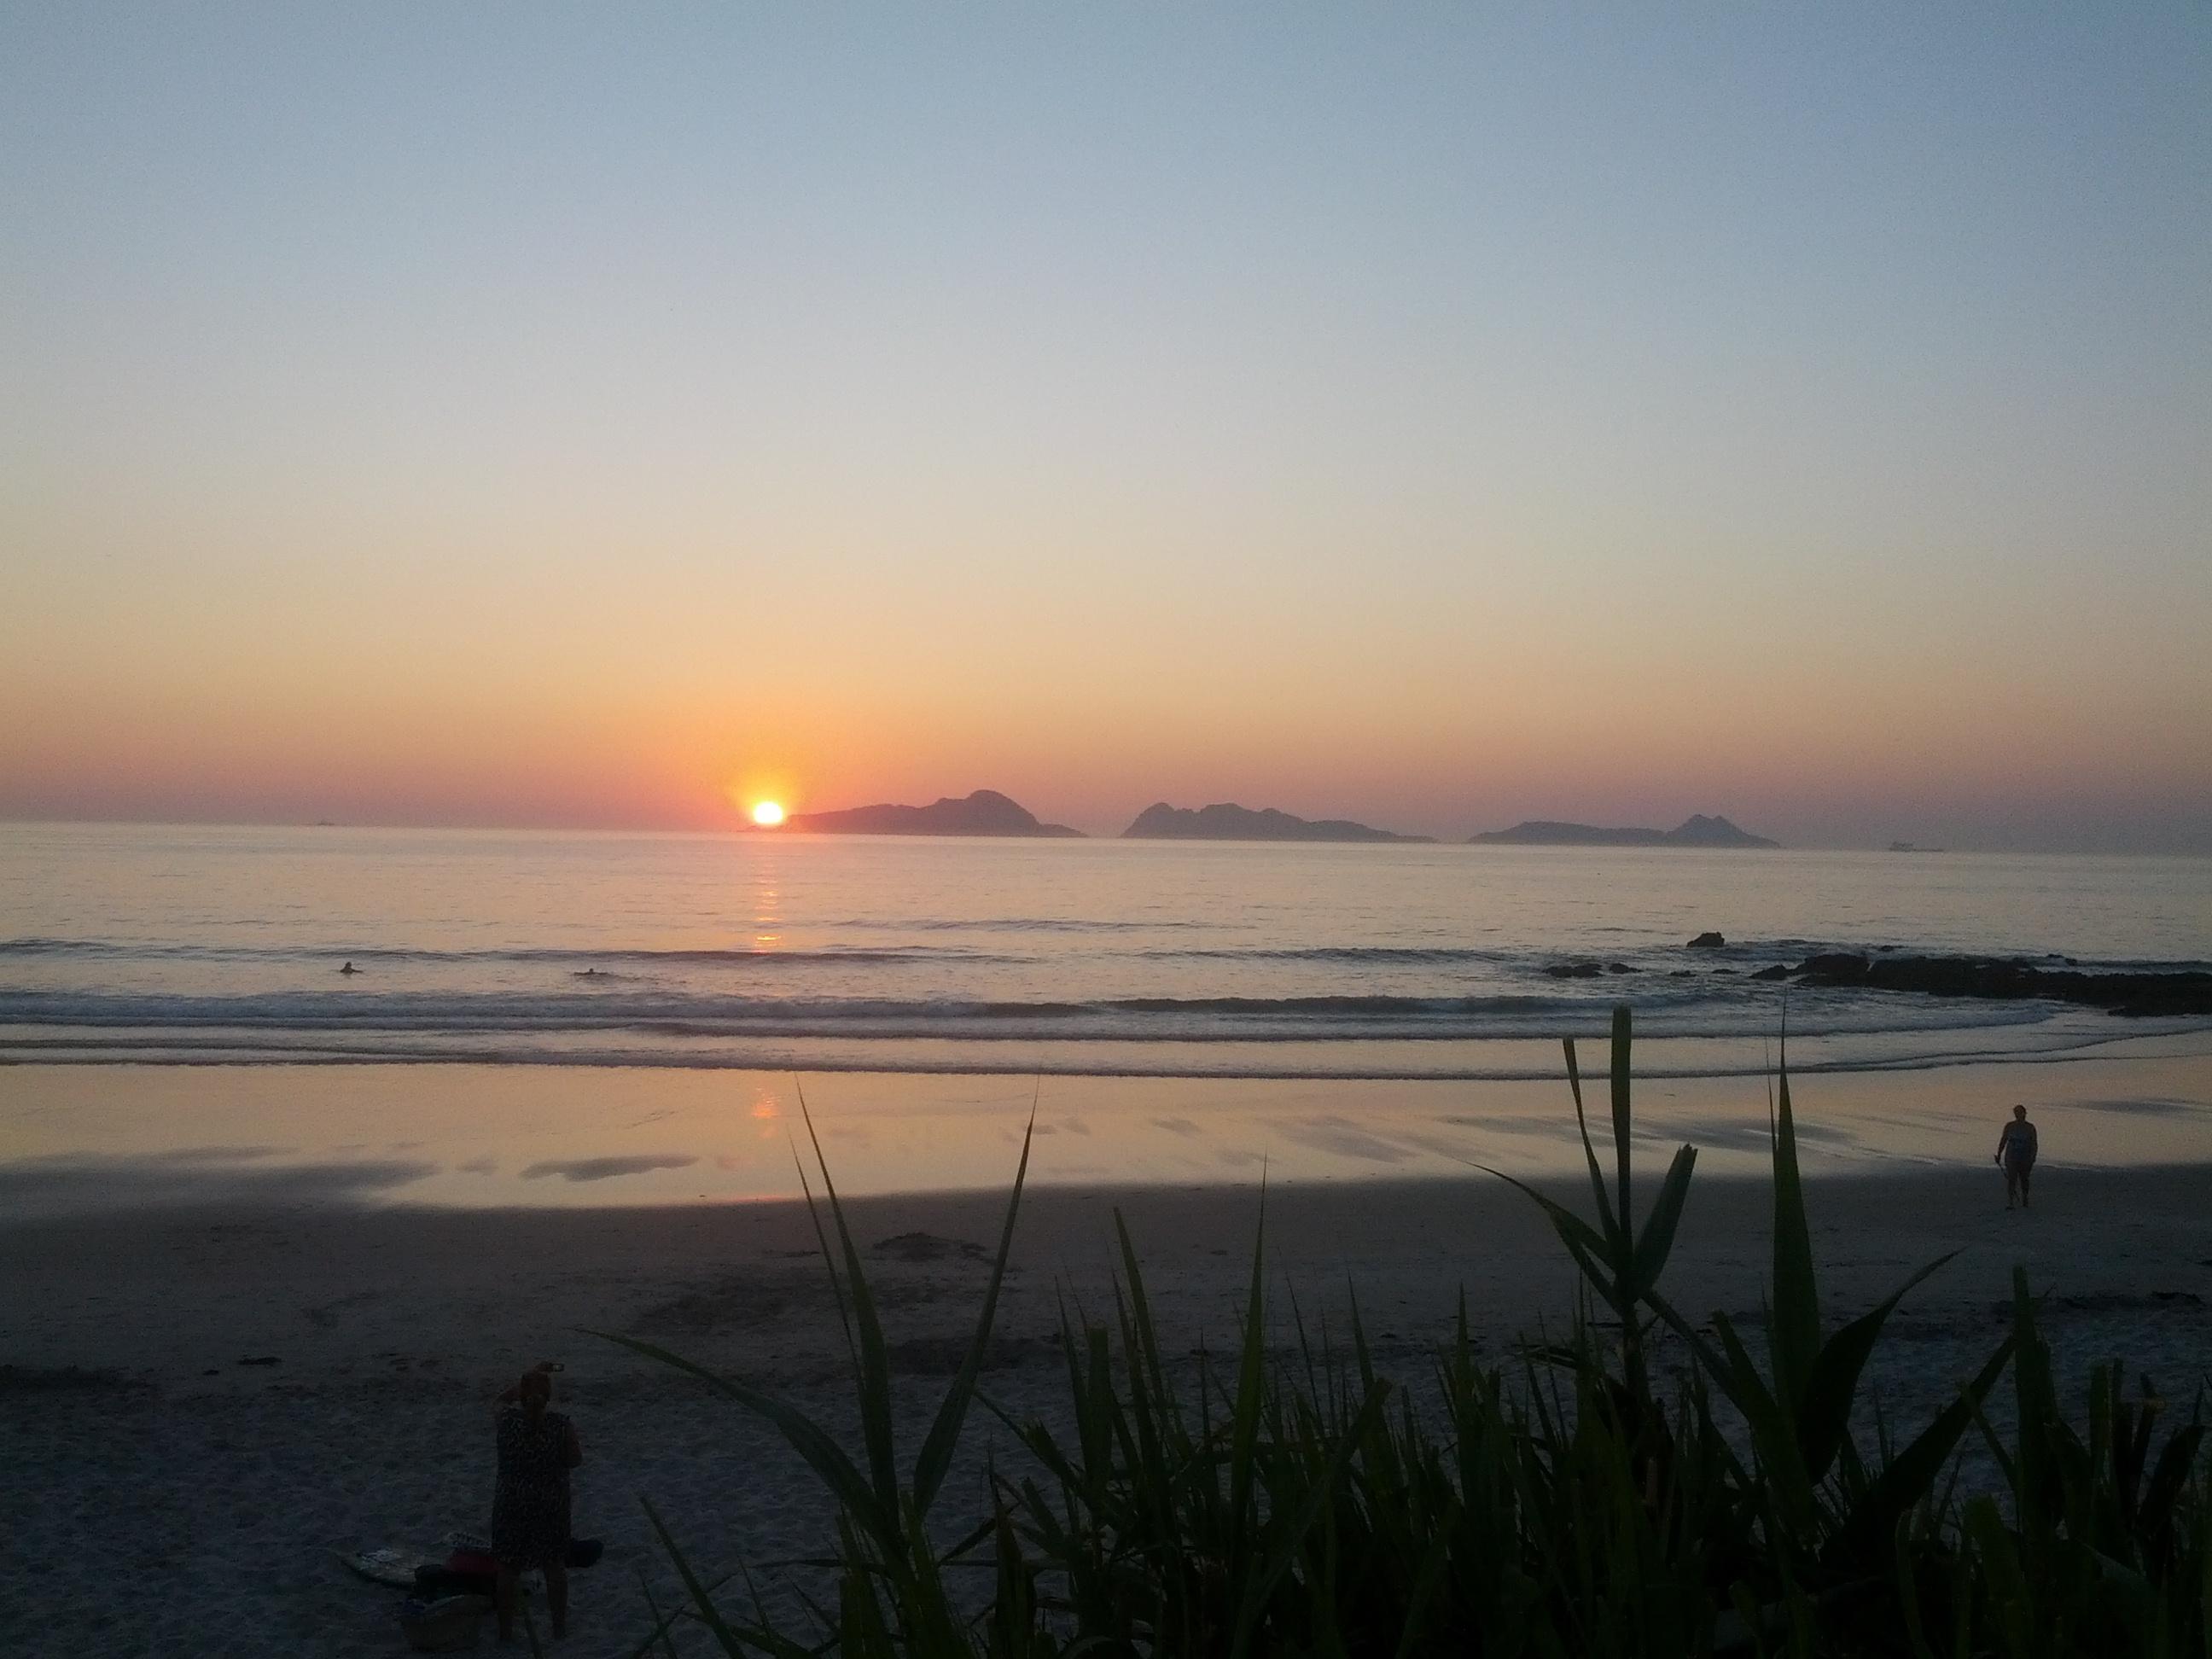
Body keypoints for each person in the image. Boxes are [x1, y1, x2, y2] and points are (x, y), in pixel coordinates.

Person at [492, 1362, 583, 1643]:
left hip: (512, 1500)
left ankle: (505, 1632)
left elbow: (498, 1401)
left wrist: (524, 1383)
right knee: (553, 1565)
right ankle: (558, 1628)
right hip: (550, 1501)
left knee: (508, 1567)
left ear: (521, 1396)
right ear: (548, 1398)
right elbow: (574, 1461)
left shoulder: (507, 1422)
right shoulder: (561, 1425)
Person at [1995, 1104, 2038, 1210]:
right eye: (2016, 1113)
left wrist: (2033, 1157)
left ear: (2024, 1113)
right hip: (2011, 1157)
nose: (2018, 1115)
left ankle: (2025, 1197)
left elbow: (2034, 1144)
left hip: (2025, 1157)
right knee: (2012, 1179)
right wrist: (1999, 1154)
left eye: (2020, 1113)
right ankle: (2011, 1202)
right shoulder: (2009, 1126)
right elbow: (2003, 1140)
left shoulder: (2030, 1127)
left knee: (2024, 1179)